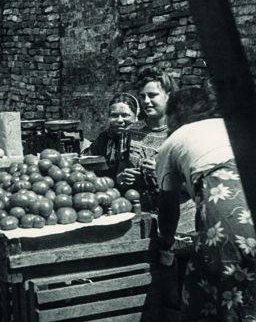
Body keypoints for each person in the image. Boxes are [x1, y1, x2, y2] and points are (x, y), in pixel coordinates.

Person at [156, 86, 256, 320]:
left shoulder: (172, 142)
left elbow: (168, 205)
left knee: (202, 293)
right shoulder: (234, 126)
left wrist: (165, 244)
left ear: (173, 115)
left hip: (231, 219)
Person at [117, 67, 178, 211]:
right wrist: (123, 178)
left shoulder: (181, 132)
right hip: (140, 211)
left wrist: (162, 174)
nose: (146, 101)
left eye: (152, 95)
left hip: (179, 216)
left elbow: (195, 185)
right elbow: (120, 173)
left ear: (168, 95)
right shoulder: (130, 131)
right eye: (142, 96)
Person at [89, 93, 139, 179]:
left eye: (125, 115)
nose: (119, 120)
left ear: (135, 116)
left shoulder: (142, 139)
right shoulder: (104, 138)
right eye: (114, 115)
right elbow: (91, 166)